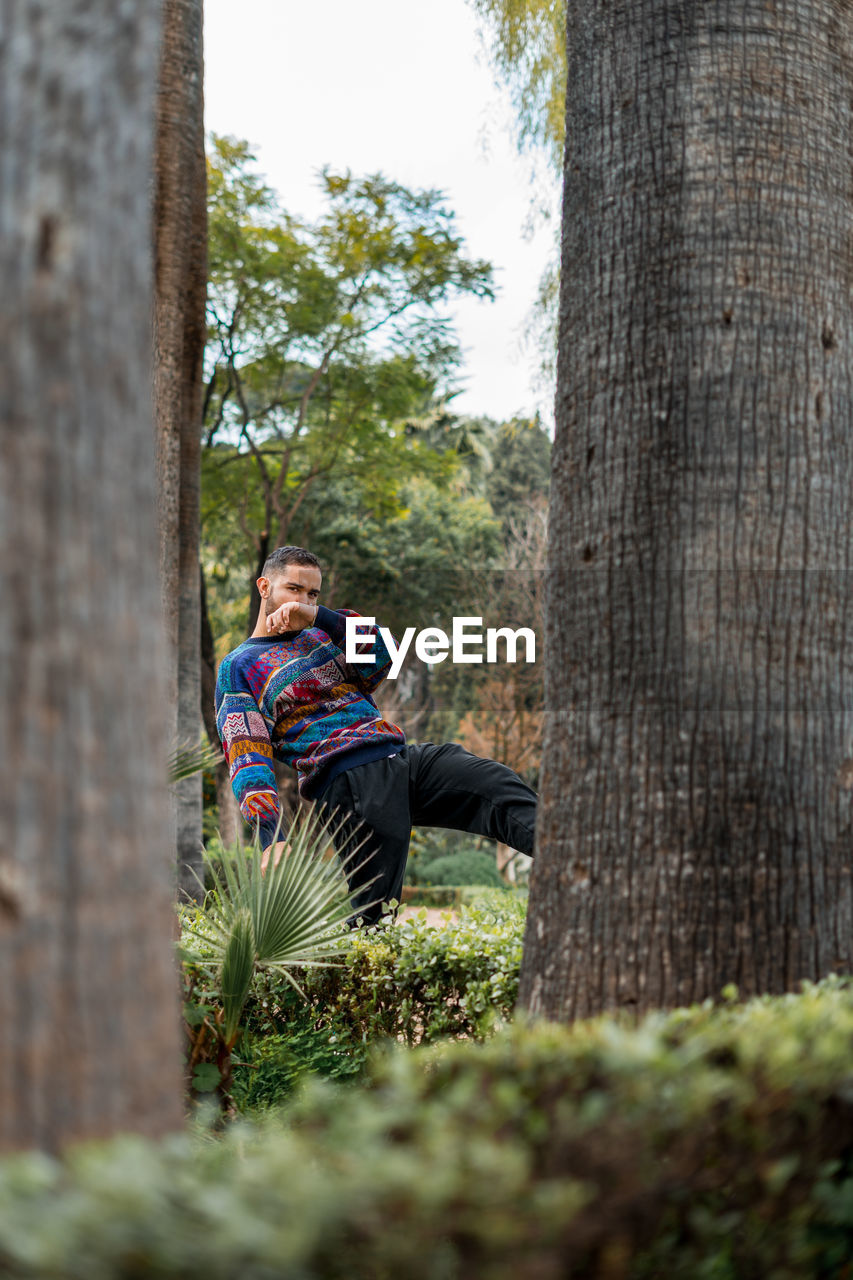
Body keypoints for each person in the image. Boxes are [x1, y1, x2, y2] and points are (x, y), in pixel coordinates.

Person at [214, 544, 537, 924]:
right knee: (375, 918)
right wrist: (272, 835)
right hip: (349, 782)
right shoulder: (239, 666)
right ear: (264, 586)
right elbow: (247, 754)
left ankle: (590, 865)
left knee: (495, 786)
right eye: (293, 589)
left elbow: (388, 653)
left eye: (313, 593)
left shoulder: (325, 635)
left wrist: (320, 617)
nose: (303, 600)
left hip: (400, 759)